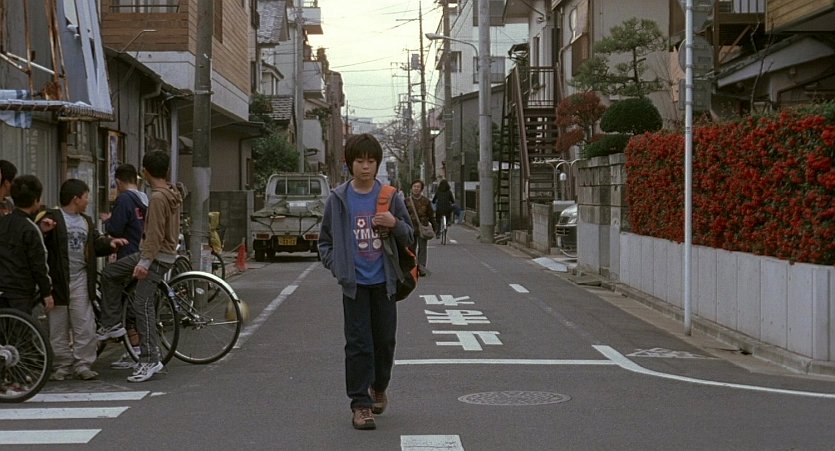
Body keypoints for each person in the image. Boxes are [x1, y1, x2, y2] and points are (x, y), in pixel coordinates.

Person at [318, 133, 413, 430]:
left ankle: (379, 387)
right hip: (354, 285)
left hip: (385, 282)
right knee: (358, 344)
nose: (365, 166)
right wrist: (339, 268)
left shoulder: (390, 197)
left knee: (384, 342)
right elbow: (324, 243)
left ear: (378, 164)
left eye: (371, 161)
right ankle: (360, 404)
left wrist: (394, 224)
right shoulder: (338, 199)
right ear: (350, 163)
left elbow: (411, 236)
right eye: (359, 161)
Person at [97, 150, 181, 383]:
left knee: (141, 303)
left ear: (144, 172)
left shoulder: (157, 198)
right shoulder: (172, 193)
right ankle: (116, 326)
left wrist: (144, 263)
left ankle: (148, 358)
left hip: (155, 256)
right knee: (118, 279)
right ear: (166, 170)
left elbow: (154, 234)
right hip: (165, 254)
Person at [39, 179, 127, 381]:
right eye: (86, 196)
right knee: (58, 326)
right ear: (75, 198)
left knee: (84, 324)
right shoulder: (52, 217)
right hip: (58, 282)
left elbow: (96, 243)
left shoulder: (86, 221)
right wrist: (43, 230)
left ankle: (83, 364)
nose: (88, 200)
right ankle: (62, 365)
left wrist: (110, 243)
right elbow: (38, 242)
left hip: (81, 279)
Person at [101, 164, 148, 370]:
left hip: (128, 253)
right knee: (135, 302)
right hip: (143, 252)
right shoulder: (144, 198)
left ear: (118, 181)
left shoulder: (124, 199)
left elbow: (116, 228)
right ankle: (137, 349)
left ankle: (128, 343)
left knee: (121, 297)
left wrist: (108, 222)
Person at [0, 175, 55, 314]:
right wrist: (46, 292)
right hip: (21, 290)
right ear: (35, 200)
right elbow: (39, 264)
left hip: (2, 287)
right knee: (21, 326)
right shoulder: (30, 228)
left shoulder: (3, 222)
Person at [404, 179, 435, 277]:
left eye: (418, 187)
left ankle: (421, 268)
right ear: (411, 188)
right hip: (410, 228)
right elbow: (402, 215)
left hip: (422, 227)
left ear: (421, 189)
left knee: (422, 249)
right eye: (414, 186)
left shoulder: (426, 201)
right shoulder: (406, 201)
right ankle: (411, 267)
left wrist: (434, 226)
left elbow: (430, 214)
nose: (416, 188)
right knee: (411, 249)